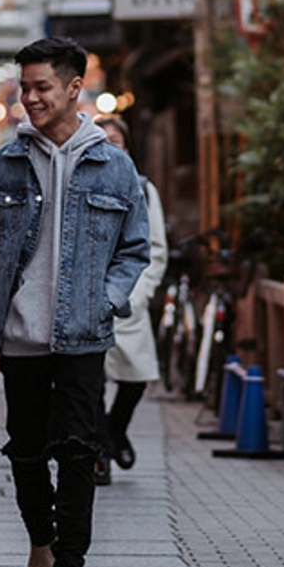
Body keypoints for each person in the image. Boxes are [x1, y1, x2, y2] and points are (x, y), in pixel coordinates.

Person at [0, 37, 149, 567]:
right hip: (18, 334)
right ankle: (39, 545)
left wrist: (106, 299)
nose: (30, 98)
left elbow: (135, 249)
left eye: (42, 87)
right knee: (24, 450)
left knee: (77, 451)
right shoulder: (5, 161)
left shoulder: (115, 165)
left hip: (83, 335)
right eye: (25, 88)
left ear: (75, 88)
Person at [91, 115, 169, 486]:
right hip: (89, 302)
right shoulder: (82, 180)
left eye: (116, 140)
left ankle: (114, 430)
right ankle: (100, 453)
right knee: (91, 382)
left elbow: (155, 248)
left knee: (135, 379)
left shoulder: (141, 187)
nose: (110, 145)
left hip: (129, 300)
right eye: (102, 139)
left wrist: (140, 294)